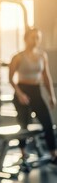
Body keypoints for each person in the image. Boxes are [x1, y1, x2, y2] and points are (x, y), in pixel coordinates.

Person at [8, 28, 57, 166]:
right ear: (26, 38)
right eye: (33, 37)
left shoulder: (42, 56)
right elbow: (11, 79)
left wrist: (51, 96)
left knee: (47, 122)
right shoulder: (17, 57)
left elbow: (46, 77)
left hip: (36, 91)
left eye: (37, 37)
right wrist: (20, 94)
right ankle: (23, 153)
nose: (35, 40)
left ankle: (54, 154)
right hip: (22, 90)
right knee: (23, 124)